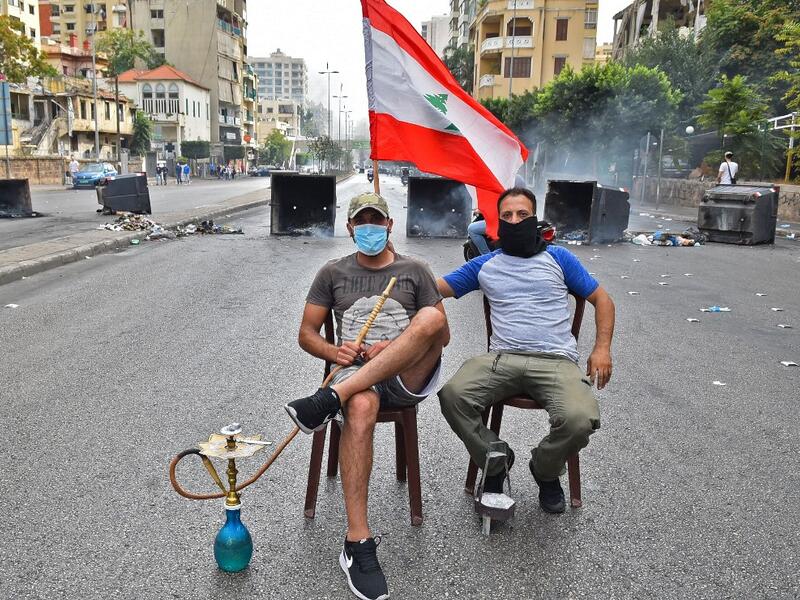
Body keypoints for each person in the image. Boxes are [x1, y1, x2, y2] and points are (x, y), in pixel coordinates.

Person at [284, 192, 449, 600]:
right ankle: (357, 542)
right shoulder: (332, 272)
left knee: (430, 315)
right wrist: (333, 351)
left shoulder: (415, 271)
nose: (370, 227)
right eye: (362, 221)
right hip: (355, 375)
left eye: (377, 220)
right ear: (350, 228)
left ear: (390, 226)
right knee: (359, 402)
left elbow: (441, 335)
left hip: (407, 375)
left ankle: (328, 400)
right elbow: (306, 334)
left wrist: (394, 346)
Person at [437, 187, 615, 514]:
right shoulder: (485, 264)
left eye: (522, 214)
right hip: (502, 359)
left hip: (556, 361)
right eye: (507, 216)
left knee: (579, 419)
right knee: (453, 395)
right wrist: (396, 263)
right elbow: (433, 289)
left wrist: (601, 348)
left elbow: (602, 299)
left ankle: (545, 470)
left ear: (534, 218)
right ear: (497, 223)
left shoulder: (558, 258)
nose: (515, 220)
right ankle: (495, 460)